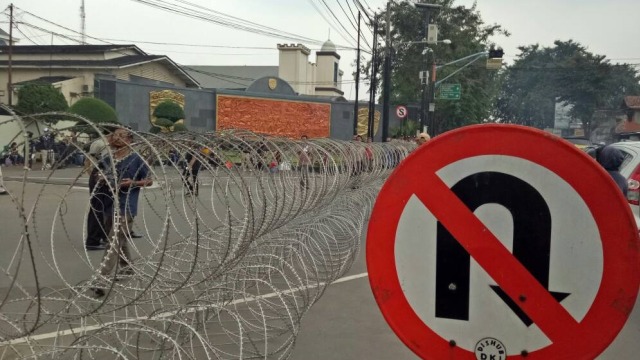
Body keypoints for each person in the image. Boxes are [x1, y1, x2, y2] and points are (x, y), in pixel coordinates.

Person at [92, 127, 152, 297]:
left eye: (120, 135)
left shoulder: (136, 159)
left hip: (127, 206)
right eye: (113, 135)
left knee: (113, 240)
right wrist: (101, 179)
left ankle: (101, 278)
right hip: (109, 204)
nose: (115, 138)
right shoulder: (108, 158)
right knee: (118, 238)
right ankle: (128, 267)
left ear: (129, 140)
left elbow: (148, 180)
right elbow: (99, 175)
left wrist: (132, 183)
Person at [85, 131, 112, 251]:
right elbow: (92, 159)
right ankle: (92, 240)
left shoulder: (108, 145)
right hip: (99, 176)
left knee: (103, 209)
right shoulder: (100, 143)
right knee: (97, 209)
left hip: (104, 177)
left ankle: (101, 236)